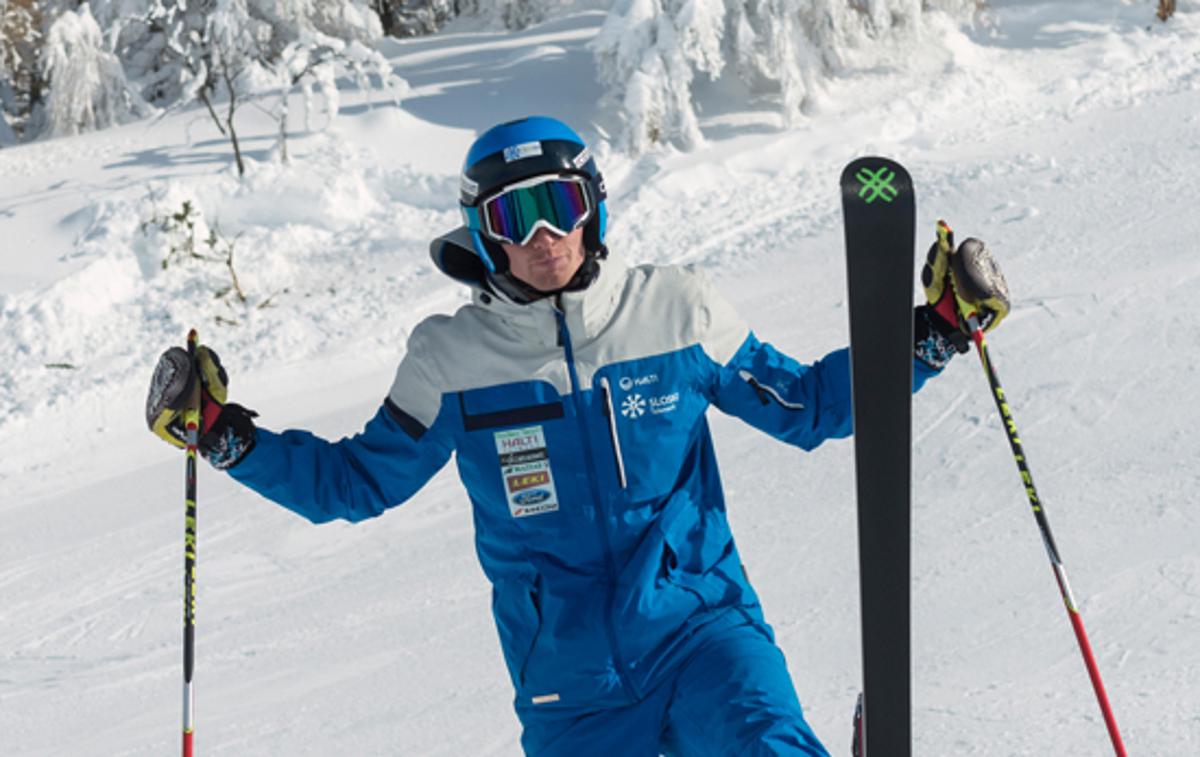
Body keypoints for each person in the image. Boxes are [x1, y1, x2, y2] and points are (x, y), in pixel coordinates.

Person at [146, 116, 1009, 756]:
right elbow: (355, 484)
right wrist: (225, 437)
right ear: (484, 237)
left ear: (594, 208)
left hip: (703, 631)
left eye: (558, 206)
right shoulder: (450, 360)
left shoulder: (677, 312)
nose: (542, 237)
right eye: (513, 218)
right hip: (568, 683)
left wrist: (930, 333)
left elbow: (810, 405)